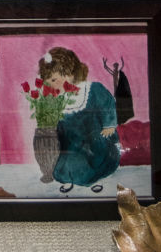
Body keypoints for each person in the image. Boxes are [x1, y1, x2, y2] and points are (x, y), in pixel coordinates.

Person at [38, 46, 120, 192]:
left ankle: (93, 178)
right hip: (72, 148)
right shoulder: (59, 99)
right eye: (49, 82)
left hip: (95, 144)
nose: (52, 85)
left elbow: (108, 104)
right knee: (64, 168)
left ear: (69, 73)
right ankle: (74, 177)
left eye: (54, 79)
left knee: (90, 163)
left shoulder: (92, 89)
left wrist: (109, 124)